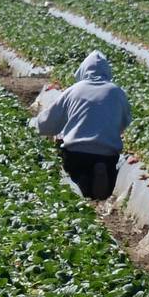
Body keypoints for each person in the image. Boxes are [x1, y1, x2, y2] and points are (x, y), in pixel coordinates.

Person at [36, 51, 132, 201]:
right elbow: (125, 122)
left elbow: (48, 124)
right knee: (107, 168)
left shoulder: (74, 90)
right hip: (107, 155)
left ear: (82, 70)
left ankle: (81, 182)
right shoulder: (117, 92)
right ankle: (100, 179)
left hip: (76, 153)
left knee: (75, 172)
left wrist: (36, 125)